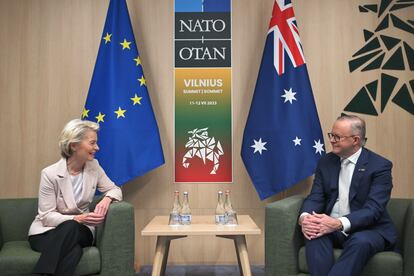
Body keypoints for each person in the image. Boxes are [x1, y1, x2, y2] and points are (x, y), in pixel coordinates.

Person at [298, 114, 397, 276]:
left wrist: (338, 223)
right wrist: (306, 218)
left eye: (337, 137)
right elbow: (316, 197)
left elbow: (373, 209)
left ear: (355, 140)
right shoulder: (326, 161)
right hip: (330, 227)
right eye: (331, 135)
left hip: (368, 229)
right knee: (313, 233)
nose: (332, 140)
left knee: (360, 242)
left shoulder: (379, 166)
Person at [28, 119, 122, 276]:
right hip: (46, 232)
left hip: (82, 231)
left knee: (72, 228)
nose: (97, 148)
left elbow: (115, 189)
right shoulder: (49, 174)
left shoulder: (94, 167)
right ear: (74, 145)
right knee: (74, 251)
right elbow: (46, 216)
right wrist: (77, 218)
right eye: (92, 143)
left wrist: (107, 199)